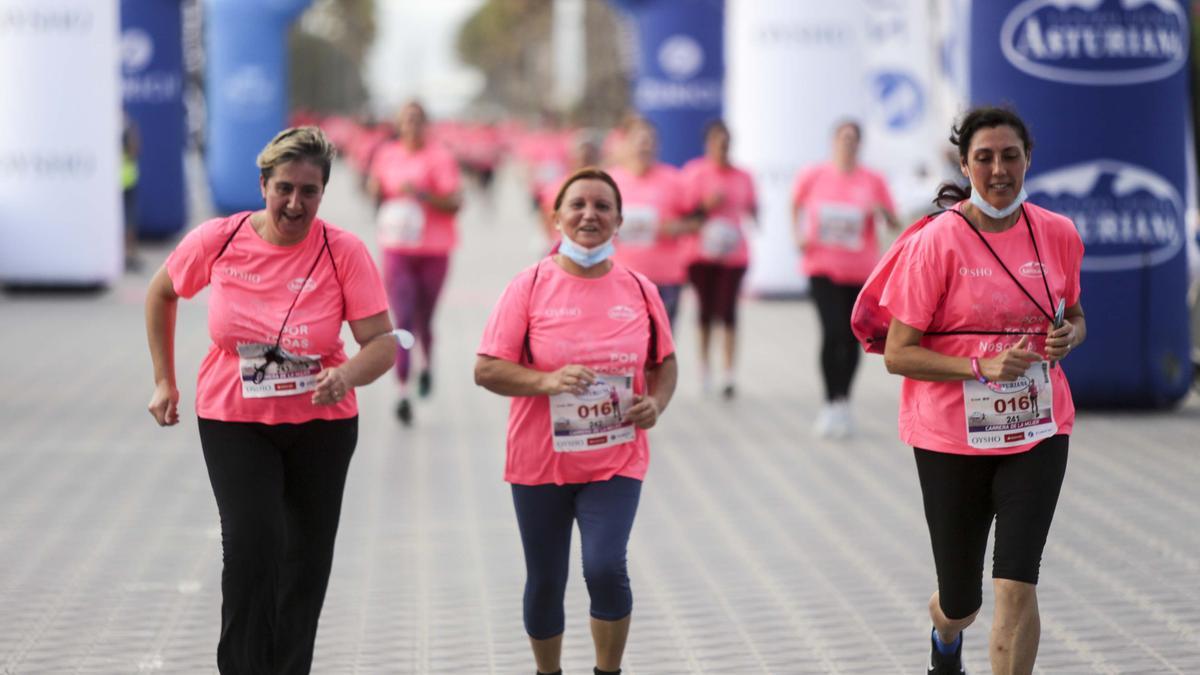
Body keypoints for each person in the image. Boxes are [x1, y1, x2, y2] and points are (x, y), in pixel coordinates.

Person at [144, 126, 396, 675]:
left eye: (309, 191)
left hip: (320, 426)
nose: (294, 203)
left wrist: (347, 374)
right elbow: (161, 292)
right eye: (284, 187)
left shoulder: (342, 251)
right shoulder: (219, 238)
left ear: (323, 194)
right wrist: (165, 380)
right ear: (263, 185)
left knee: (305, 566)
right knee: (253, 549)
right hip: (236, 419)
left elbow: (383, 342)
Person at [874, 107, 1085, 674]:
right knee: (962, 601)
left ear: (1028, 160)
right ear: (964, 164)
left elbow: (1076, 314)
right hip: (951, 437)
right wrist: (980, 365)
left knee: (1017, 582)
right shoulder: (937, 242)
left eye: (1010, 156)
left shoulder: (1059, 234)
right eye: (985, 157)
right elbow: (898, 353)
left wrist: (1068, 336)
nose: (998, 169)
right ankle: (946, 636)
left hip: (1039, 427)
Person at [474, 168, 678, 675]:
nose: (590, 214)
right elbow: (486, 369)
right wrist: (547, 382)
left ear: (619, 221)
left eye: (602, 206)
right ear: (556, 216)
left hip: (615, 458)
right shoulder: (529, 286)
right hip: (540, 460)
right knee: (546, 578)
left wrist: (656, 402)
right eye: (578, 205)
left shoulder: (639, 288)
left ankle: (608, 671)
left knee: (605, 567)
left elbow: (665, 363)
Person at [792, 119, 900, 437]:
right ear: (833, 142)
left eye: (853, 139)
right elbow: (794, 203)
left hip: (860, 271)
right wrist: (797, 234)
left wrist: (882, 211)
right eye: (843, 138)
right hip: (821, 267)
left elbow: (893, 220)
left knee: (854, 338)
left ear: (860, 145)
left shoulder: (873, 180)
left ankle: (844, 401)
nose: (848, 144)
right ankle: (829, 402)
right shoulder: (814, 175)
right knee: (832, 331)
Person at [367, 100, 463, 425]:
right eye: (406, 120)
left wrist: (422, 195)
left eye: (417, 120)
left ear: (425, 124)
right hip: (397, 248)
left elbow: (454, 203)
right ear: (398, 124)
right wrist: (375, 190)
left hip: (434, 248)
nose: (411, 126)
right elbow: (375, 190)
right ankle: (403, 392)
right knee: (403, 318)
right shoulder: (386, 154)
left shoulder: (440, 157)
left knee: (425, 317)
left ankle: (426, 366)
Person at [680, 120, 758, 397]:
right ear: (707, 144)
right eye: (717, 142)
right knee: (704, 312)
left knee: (728, 312)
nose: (722, 148)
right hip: (700, 253)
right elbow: (685, 215)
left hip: (733, 255)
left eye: (726, 143)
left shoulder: (743, 176)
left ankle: (729, 374)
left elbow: (753, 208)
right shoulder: (694, 173)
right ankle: (704, 369)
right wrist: (706, 206)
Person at [608, 117, 692, 327]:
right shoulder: (610, 181)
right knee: (625, 348)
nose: (644, 146)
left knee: (662, 352)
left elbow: (696, 222)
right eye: (639, 140)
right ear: (627, 144)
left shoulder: (674, 179)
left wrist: (670, 228)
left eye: (650, 141)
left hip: (665, 279)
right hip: (621, 278)